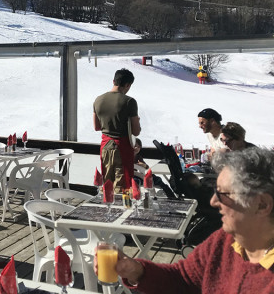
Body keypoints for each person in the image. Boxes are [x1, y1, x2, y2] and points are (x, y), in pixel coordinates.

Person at [97, 148, 274, 292]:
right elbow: (183, 278)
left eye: (223, 194)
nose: (213, 201)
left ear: (262, 205)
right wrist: (137, 271)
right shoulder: (225, 241)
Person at [93, 68, 141, 192]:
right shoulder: (129, 102)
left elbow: (97, 127)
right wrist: (137, 122)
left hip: (105, 146)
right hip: (122, 147)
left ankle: (107, 208)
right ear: (127, 85)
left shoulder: (98, 100)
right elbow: (136, 131)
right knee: (123, 186)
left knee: (107, 184)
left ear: (114, 80)